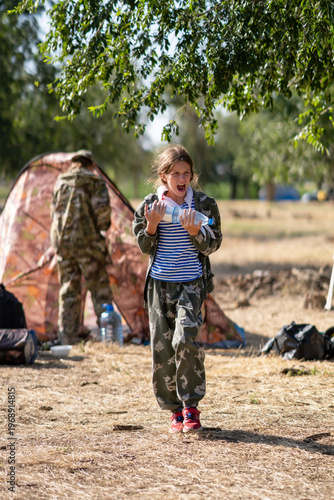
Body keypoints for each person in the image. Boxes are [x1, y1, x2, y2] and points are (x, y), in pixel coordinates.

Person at [133, 144, 222, 433]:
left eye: (186, 173)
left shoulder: (204, 204)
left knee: (186, 339)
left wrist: (196, 233)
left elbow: (213, 244)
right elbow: (143, 246)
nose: (182, 178)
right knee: (162, 347)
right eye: (175, 174)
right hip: (159, 286)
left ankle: (191, 406)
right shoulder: (151, 205)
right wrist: (151, 226)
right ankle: (174, 411)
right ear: (164, 176)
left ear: (192, 175)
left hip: (191, 284)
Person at [50, 150, 114, 345]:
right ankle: (108, 337)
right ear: (91, 164)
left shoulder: (61, 181)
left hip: (62, 243)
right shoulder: (94, 181)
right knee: (99, 286)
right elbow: (103, 216)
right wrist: (101, 228)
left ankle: (67, 336)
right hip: (87, 244)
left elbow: (54, 211)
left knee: (69, 287)